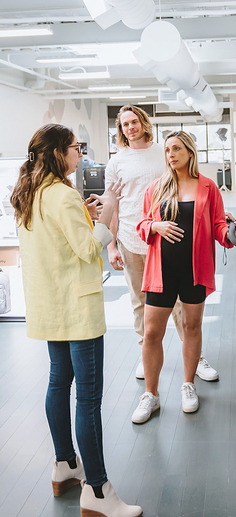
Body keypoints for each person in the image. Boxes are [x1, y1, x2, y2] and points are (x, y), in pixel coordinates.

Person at [11, 124, 142, 517]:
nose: (80, 155)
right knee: (88, 399)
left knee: (58, 382)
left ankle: (65, 465)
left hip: (51, 306)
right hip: (77, 309)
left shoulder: (30, 193)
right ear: (56, 153)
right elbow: (87, 250)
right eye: (74, 148)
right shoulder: (63, 195)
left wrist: (85, 216)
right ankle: (98, 492)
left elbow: (56, 242)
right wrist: (110, 212)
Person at [105, 105, 219, 382]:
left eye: (135, 122)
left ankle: (195, 357)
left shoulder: (163, 152)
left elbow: (186, 188)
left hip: (169, 244)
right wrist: (111, 245)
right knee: (140, 303)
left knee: (183, 305)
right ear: (120, 130)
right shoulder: (116, 162)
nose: (130, 128)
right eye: (125, 124)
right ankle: (146, 353)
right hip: (134, 239)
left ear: (144, 123)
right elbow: (113, 207)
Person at [131, 131, 233, 424]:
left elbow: (218, 224)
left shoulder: (207, 187)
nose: (171, 154)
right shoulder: (156, 188)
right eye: (167, 150)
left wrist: (231, 236)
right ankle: (151, 395)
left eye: (176, 149)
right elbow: (142, 223)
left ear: (190, 152)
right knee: (152, 333)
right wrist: (155, 226)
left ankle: (188, 385)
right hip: (161, 271)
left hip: (194, 270)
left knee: (191, 326)